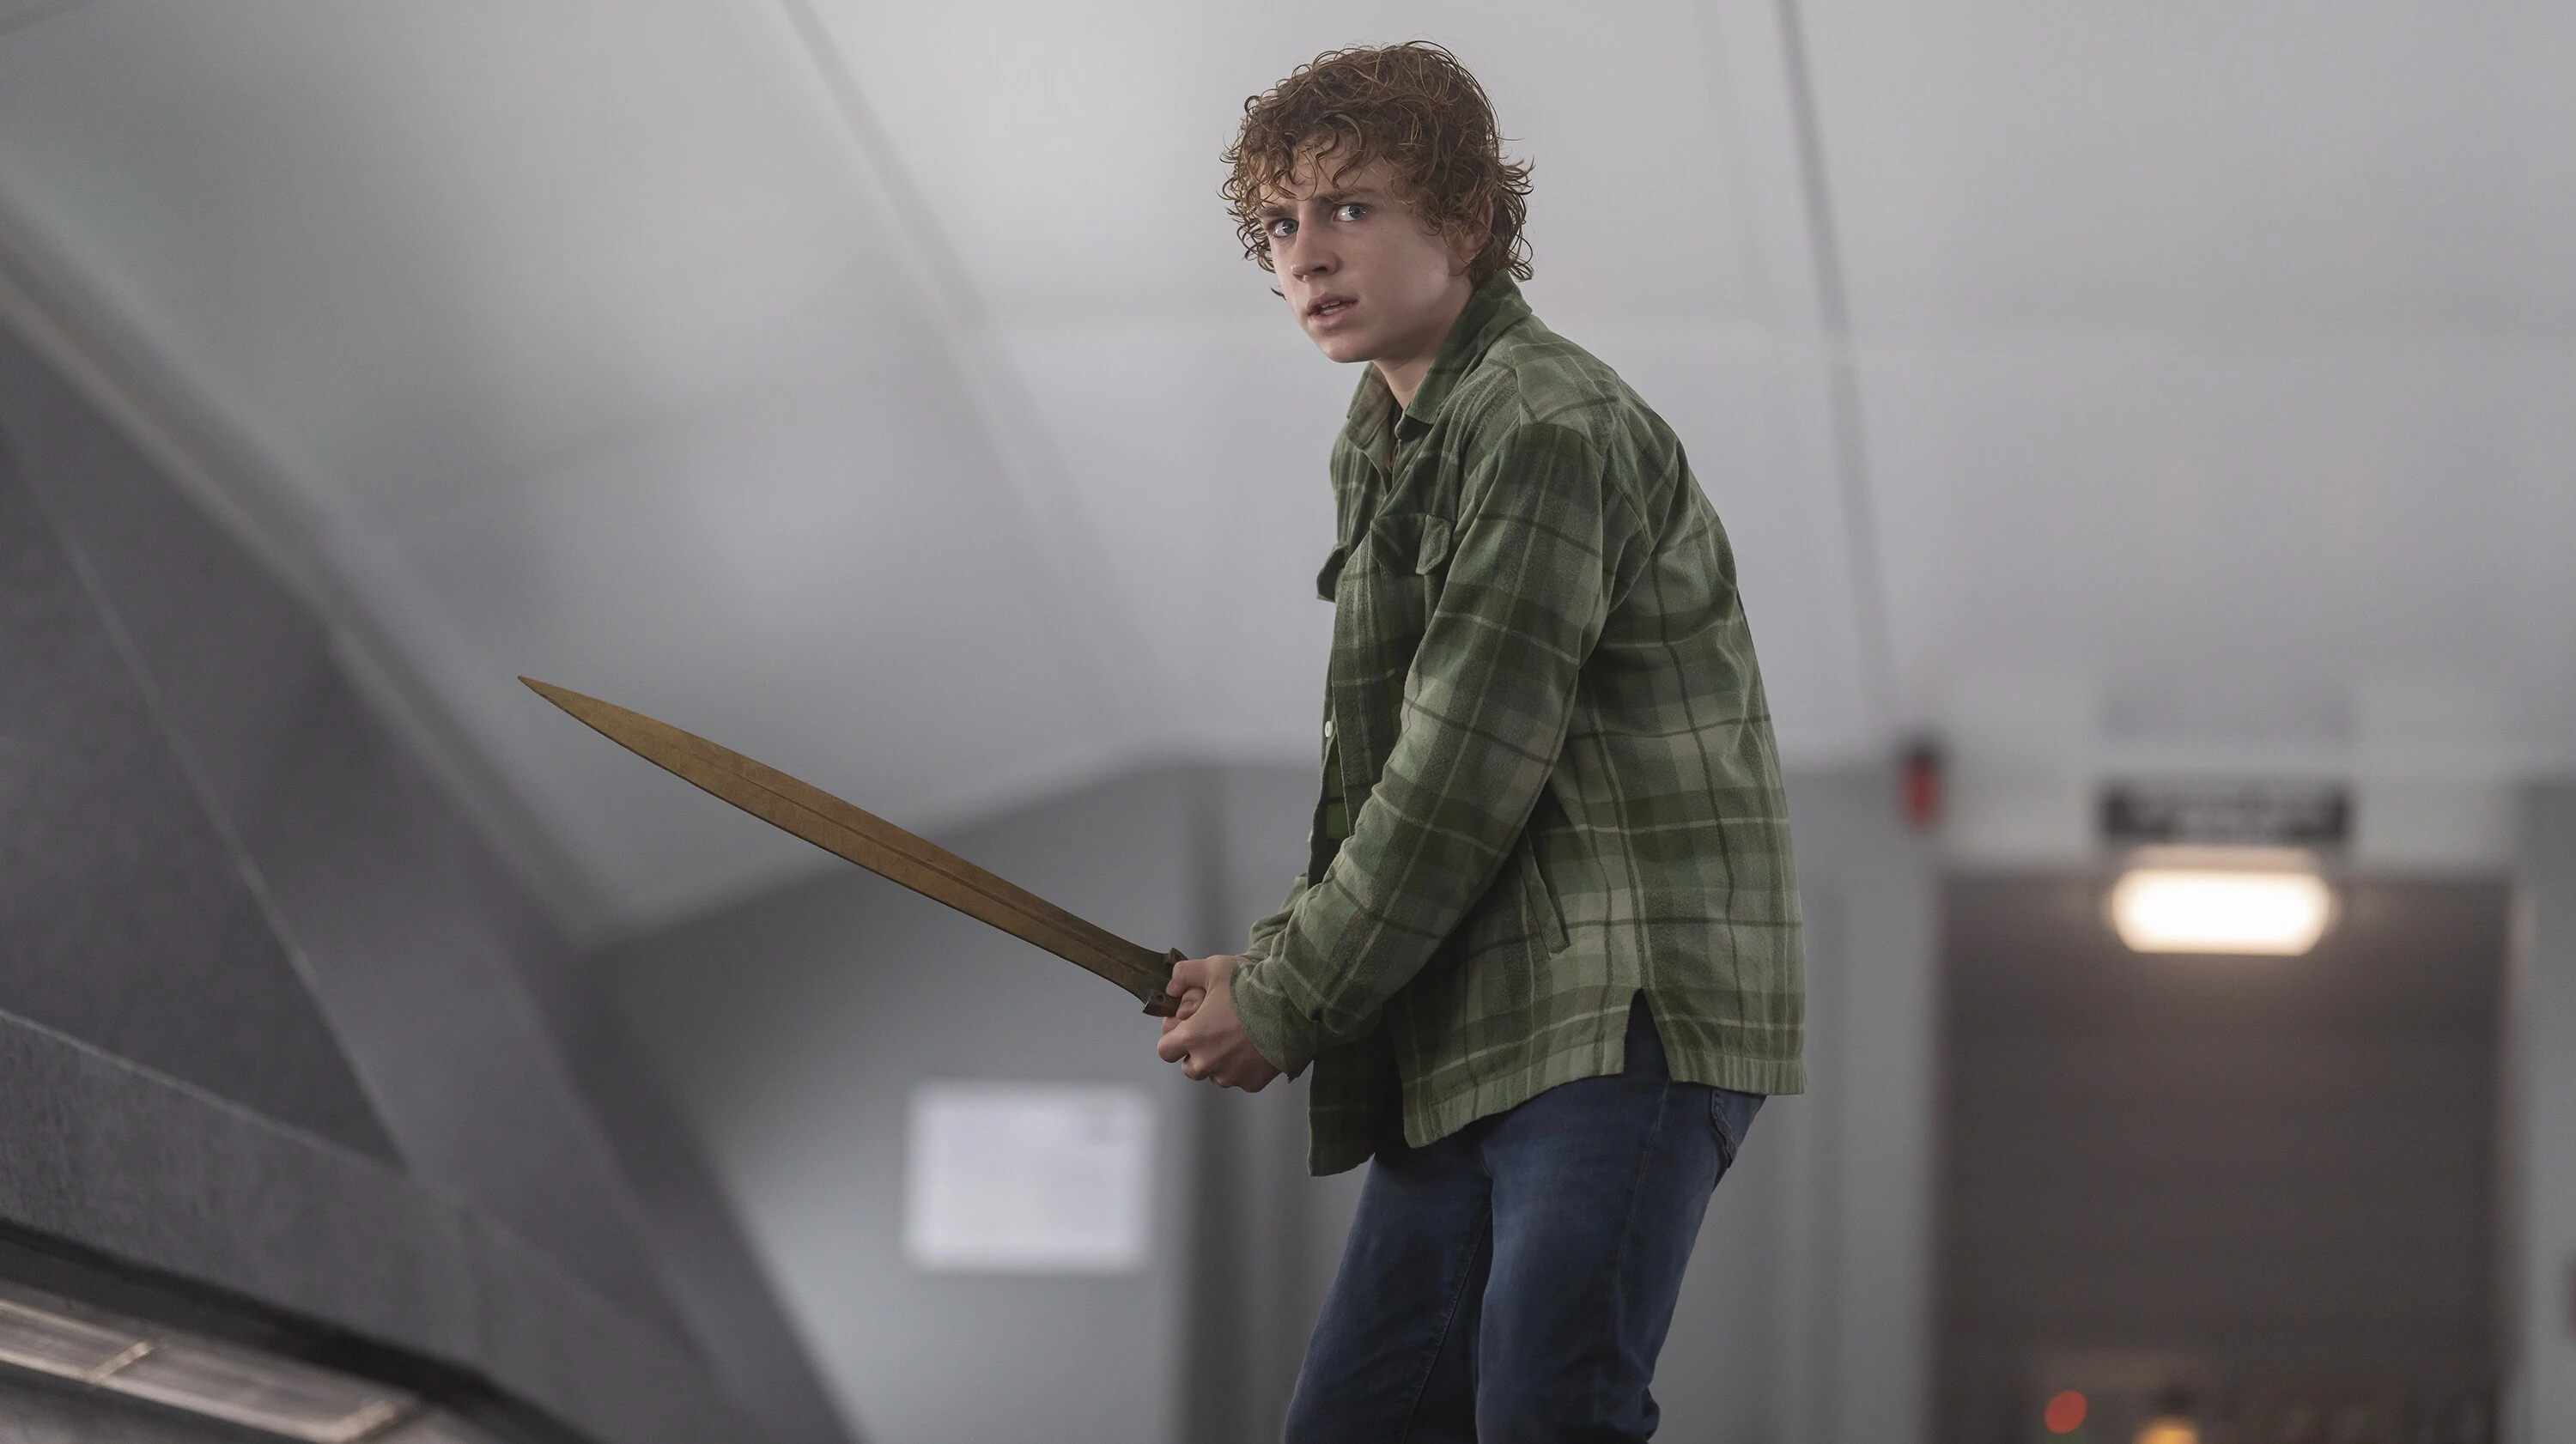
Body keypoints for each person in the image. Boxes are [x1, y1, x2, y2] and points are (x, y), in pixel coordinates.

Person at [1154, 41, 1804, 1443]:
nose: (1305, 253)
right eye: (1278, 222)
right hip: (1481, 1020)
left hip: (1620, 1005)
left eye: (1350, 207)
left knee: (1548, 1409)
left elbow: (1461, 772)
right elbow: (1386, 770)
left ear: (1465, 221)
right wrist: (1275, 963)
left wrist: (1287, 997)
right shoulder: (1384, 439)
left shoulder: (1541, 424)